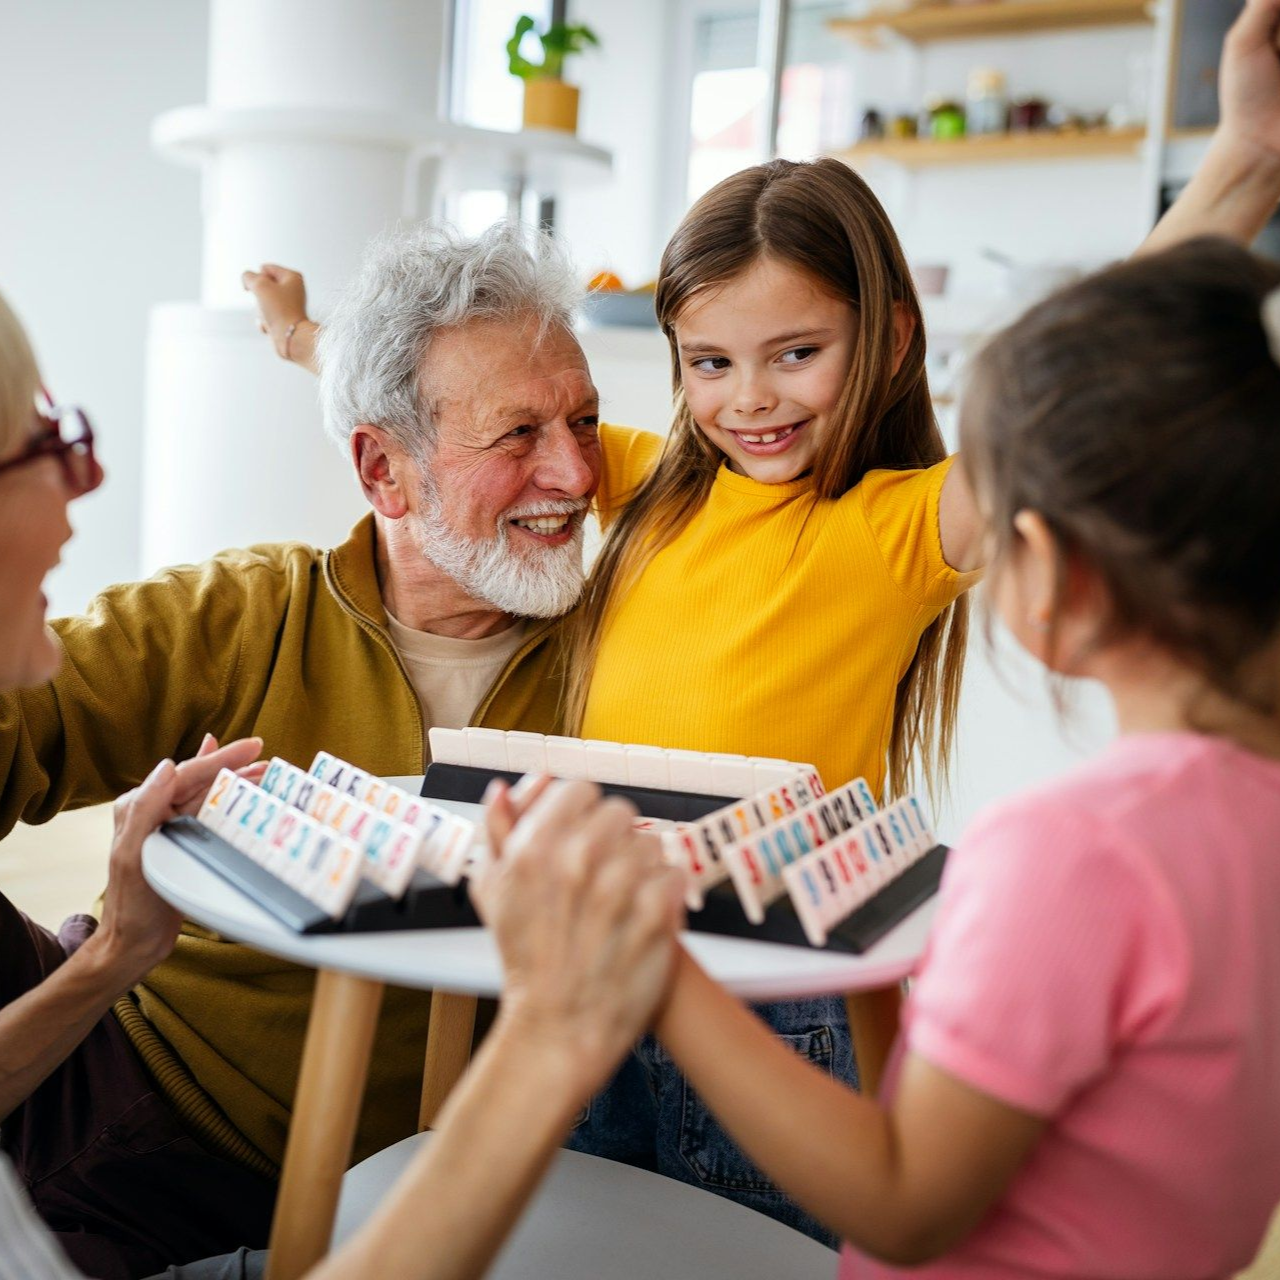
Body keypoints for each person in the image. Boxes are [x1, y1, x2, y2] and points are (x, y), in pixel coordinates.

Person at [245, 0, 1280, 1236]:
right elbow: (460, 410)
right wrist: (306, 337)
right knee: (581, 1233)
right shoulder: (639, 478)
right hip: (591, 953)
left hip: (766, 987)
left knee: (738, 1248)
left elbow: (1087, 388)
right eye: (709, 361)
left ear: (890, 340)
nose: (749, 400)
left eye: (796, 353)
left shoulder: (895, 526)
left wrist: (1243, 162)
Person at [0, 223, 655, 1274]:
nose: (576, 471)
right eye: (518, 434)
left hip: (316, 1183)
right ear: (382, 471)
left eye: (584, 420)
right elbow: (21, 719)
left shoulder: (630, 657)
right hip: (102, 1053)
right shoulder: (247, 606)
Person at [634, 233, 1280, 1277]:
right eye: (709, 360)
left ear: (1054, 564)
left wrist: (646, 960)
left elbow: (902, 1203)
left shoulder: (1072, 853)